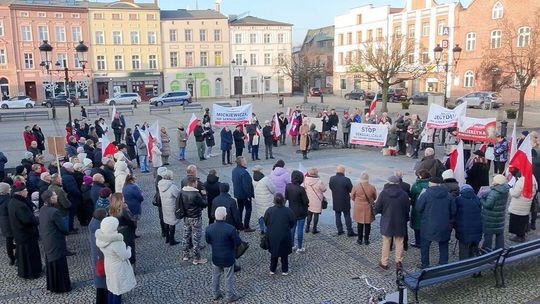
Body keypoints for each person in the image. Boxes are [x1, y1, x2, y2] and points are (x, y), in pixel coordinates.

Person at [416, 177, 456, 268]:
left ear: (430, 184)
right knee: (443, 244)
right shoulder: (448, 195)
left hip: (428, 225)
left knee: (425, 246)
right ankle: (443, 263)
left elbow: (418, 208)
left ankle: (425, 264)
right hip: (444, 224)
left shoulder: (425, 195)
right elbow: (453, 211)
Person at [95, 216, 137, 304]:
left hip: (109, 265)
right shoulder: (116, 242)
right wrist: (129, 248)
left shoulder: (101, 238)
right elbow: (125, 256)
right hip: (118, 268)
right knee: (118, 291)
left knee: (111, 288)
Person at [205, 207, 243, 303]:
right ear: (225, 216)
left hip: (216, 256)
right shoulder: (230, 229)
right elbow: (238, 242)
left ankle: (215, 293)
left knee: (215, 275)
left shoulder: (209, 228)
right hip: (228, 257)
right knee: (228, 276)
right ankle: (229, 295)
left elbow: (208, 240)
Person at [374, 176, 410, 270]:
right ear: (398, 183)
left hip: (387, 221)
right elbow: (407, 209)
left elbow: (377, 208)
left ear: (389, 182)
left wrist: (383, 211)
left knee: (386, 242)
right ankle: (398, 262)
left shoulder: (383, 194)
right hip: (400, 221)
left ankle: (384, 262)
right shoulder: (404, 194)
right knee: (399, 242)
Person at [8, 181, 42, 279]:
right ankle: (32, 273)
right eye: (25, 190)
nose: (27, 191)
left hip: (20, 233)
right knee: (29, 255)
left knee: (24, 256)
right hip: (26, 234)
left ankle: (25, 272)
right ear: (20, 192)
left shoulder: (13, 202)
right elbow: (27, 220)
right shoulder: (20, 205)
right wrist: (37, 220)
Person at [39, 190, 72, 293]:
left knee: (52, 263)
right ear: (51, 198)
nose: (57, 196)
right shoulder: (54, 211)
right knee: (59, 263)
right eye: (54, 195)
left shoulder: (43, 209)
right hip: (56, 240)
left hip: (48, 239)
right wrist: (66, 232)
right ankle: (62, 286)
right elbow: (62, 227)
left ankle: (54, 285)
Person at [264, 193, 296, 275]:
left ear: (274, 201)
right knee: (284, 254)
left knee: (274, 253)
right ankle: (285, 270)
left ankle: (272, 269)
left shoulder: (269, 210)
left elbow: (266, 221)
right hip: (284, 234)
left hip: (272, 234)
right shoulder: (288, 211)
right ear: (283, 201)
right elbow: (292, 222)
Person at [181, 176, 208, 264]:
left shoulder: (182, 191)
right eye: (196, 182)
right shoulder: (196, 194)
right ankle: (196, 258)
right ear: (193, 183)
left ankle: (185, 255)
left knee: (186, 236)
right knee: (196, 238)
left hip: (186, 217)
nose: (197, 184)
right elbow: (204, 204)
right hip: (195, 217)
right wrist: (204, 195)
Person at [480, 174, 509, 250]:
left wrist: (482, 198)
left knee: (488, 234)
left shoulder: (493, 193)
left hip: (490, 218)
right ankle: (499, 248)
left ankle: (486, 250)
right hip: (500, 216)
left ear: (497, 182)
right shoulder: (505, 190)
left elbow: (488, 205)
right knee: (499, 233)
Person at [508, 170, 538, 243]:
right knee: (523, 220)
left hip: (518, 205)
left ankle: (519, 236)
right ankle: (522, 234)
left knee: (517, 221)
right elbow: (536, 188)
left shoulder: (522, 181)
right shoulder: (532, 178)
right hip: (526, 204)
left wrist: (511, 188)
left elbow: (515, 193)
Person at [455, 184, 483, 260]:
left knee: (464, 251)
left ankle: (464, 267)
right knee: (474, 248)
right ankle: (474, 265)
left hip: (464, 231)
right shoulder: (477, 198)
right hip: (477, 229)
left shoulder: (458, 200)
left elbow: (455, 212)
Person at [108, 193, 137, 265]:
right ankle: (131, 265)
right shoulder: (124, 209)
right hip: (126, 232)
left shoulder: (109, 209)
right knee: (129, 248)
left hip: (115, 231)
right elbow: (131, 221)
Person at [329, 165, 357, 237]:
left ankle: (340, 230)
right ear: (344, 171)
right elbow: (351, 190)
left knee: (337, 216)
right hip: (345, 201)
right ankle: (349, 231)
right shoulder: (346, 179)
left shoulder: (332, 178)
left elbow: (331, 187)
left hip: (336, 200)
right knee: (347, 216)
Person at [285, 170, 309, 253]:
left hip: (292, 210)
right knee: (300, 229)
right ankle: (299, 247)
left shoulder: (288, 186)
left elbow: (286, 197)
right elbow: (306, 201)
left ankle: (292, 245)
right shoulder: (301, 189)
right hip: (301, 211)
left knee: (292, 229)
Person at [351, 172, 377, 245]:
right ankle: (366, 240)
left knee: (359, 224)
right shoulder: (372, 187)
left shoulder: (356, 187)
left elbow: (352, 197)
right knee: (368, 224)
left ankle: (359, 239)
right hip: (368, 207)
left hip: (358, 207)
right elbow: (375, 197)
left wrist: (357, 201)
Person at [88, 208, 107, 304]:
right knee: (103, 279)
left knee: (100, 278)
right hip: (101, 257)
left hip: (97, 257)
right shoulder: (99, 228)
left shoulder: (92, 224)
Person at [231, 156, 255, 232]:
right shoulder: (244, 172)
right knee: (248, 210)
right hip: (245, 195)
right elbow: (247, 186)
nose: (246, 161)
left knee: (240, 209)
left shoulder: (234, 170)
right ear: (241, 162)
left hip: (238, 194)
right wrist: (249, 195)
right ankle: (246, 226)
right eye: (244, 160)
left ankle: (239, 225)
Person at [158, 170, 181, 245]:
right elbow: (178, 195)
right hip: (171, 206)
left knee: (166, 221)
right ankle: (172, 240)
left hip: (164, 206)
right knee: (172, 223)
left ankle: (167, 238)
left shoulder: (160, 184)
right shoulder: (172, 186)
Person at [304, 167, 326, 234]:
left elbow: (304, 187)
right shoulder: (319, 181)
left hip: (309, 199)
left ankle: (307, 227)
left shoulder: (306, 180)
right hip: (317, 201)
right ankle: (314, 229)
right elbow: (324, 189)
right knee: (316, 215)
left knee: (309, 214)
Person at [253, 167, 275, 234]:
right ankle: (267, 231)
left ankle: (262, 229)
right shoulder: (266, 180)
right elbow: (273, 190)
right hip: (267, 202)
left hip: (258, 201)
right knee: (267, 216)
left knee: (260, 216)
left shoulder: (253, 181)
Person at [0, 183, 15, 265]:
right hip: (9, 221)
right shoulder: (8, 199)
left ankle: (11, 257)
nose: (10, 189)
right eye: (8, 188)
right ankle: (13, 257)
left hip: (3, 221)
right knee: (12, 238)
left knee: (8, 239)